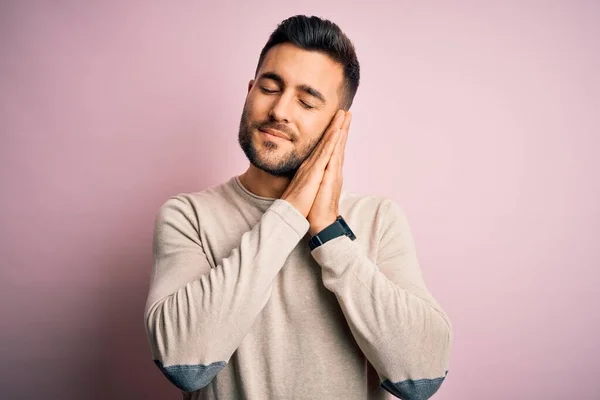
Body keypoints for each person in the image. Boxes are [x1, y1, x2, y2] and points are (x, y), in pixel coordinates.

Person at [144, 14, 452, 400]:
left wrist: (328, 231)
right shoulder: (188, 217)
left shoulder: (378, 220)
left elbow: (421, 376)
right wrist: (290, 213)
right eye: (270, 88)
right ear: (250, 91)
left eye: (307, 102)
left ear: (337, 125)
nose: (280, 111)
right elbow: (183, 363)